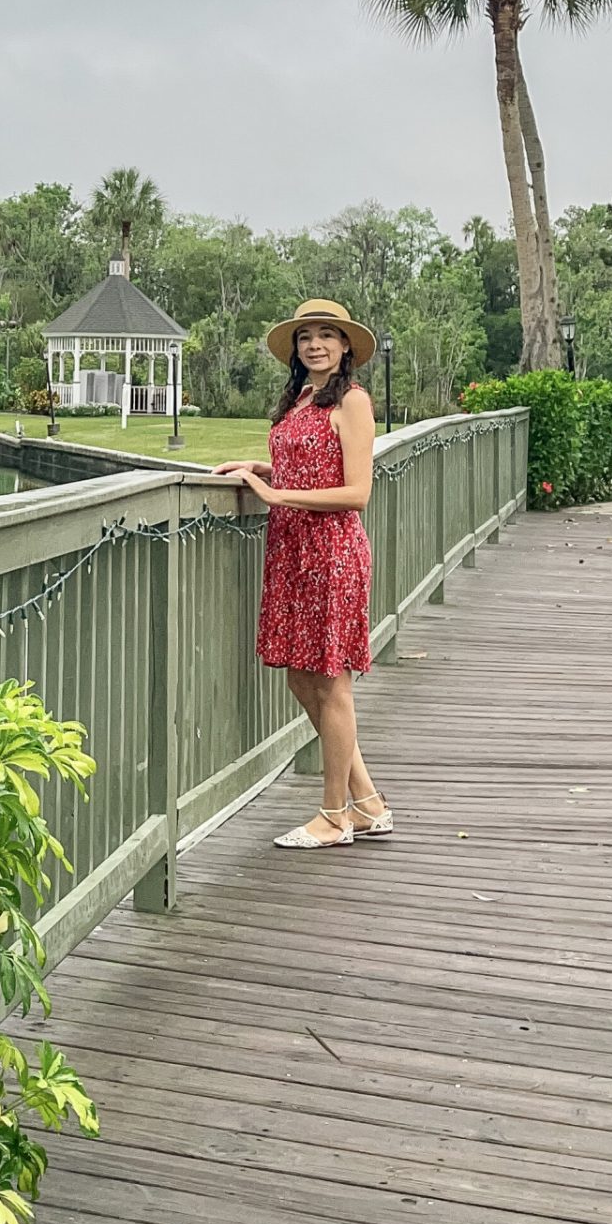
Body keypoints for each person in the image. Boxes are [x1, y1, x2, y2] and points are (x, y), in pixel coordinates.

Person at [216, 299, 389, 850]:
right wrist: (262, 469)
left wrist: (276, 493)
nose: (314, 344)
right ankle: (368, 803)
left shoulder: (354, 401)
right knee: (300, 676)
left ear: (345, 348)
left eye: (326, 336)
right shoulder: (302, 398)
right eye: (305, 337)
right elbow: (309, 461)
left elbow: (357, 492)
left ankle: (333, 816)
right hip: (292, 551)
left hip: (331, 552)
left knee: (331, 681)